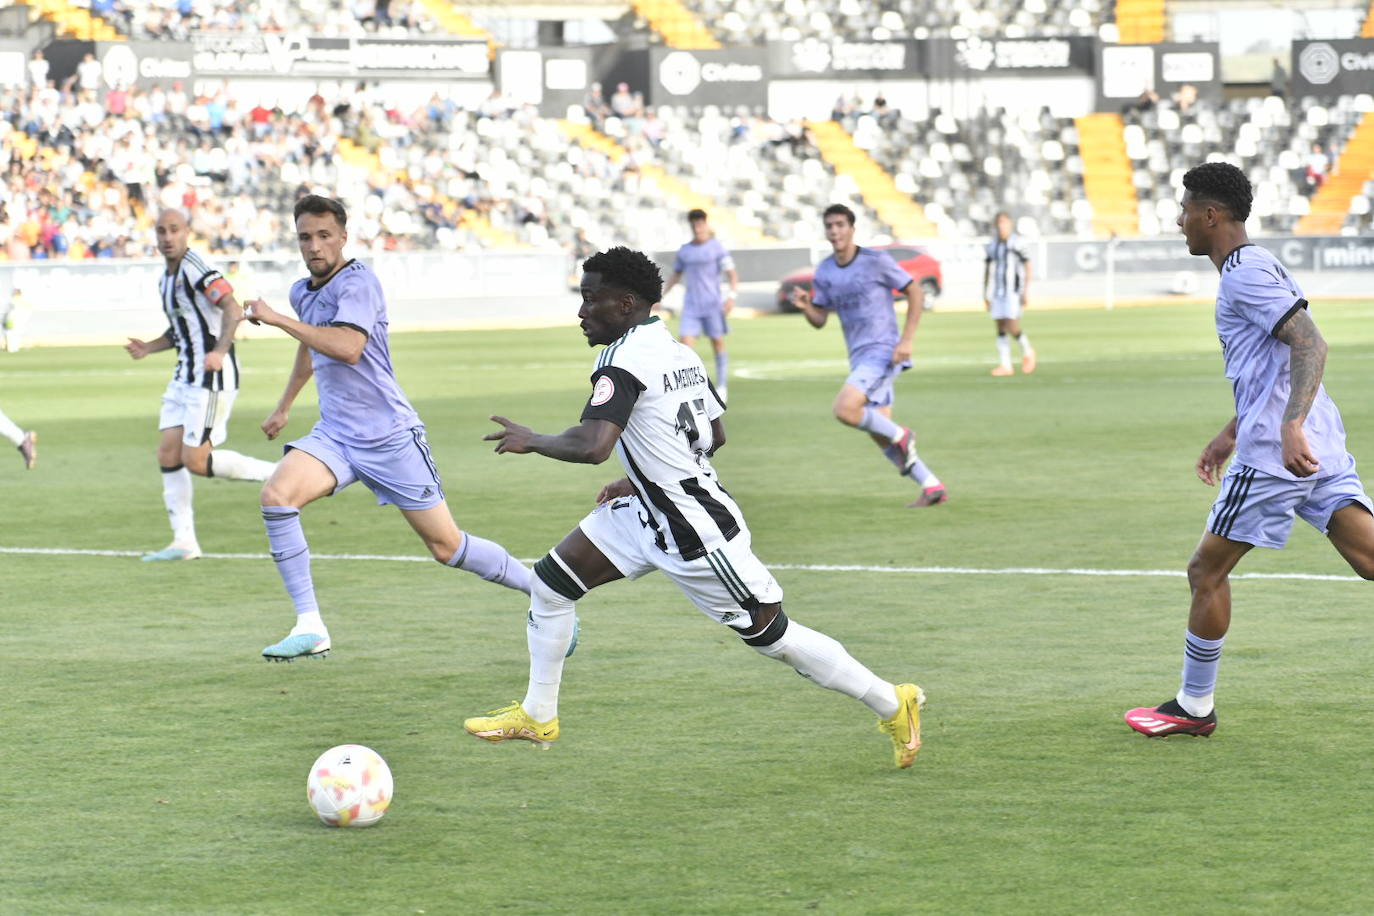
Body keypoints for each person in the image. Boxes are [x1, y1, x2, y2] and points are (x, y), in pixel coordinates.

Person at [463, 247, 925, 768]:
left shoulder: (622, 359)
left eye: (592, 299)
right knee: (551, 584)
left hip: (695, 531)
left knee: (772, 635)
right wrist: (642, 477)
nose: (582, 311)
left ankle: (892, 701)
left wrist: (533, 440)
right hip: (649, 515)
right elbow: (715, 434)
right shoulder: (679, 351)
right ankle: (537, 714)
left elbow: (592, 445)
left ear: (626, 302)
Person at [1125, 162, 1374, 738]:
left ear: (1211, 215)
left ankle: (1192, 707)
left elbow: (1310, 342)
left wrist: (1286, 428)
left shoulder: (1241, 274)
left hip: (1278, 456)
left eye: (1186, 209)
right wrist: (1232, 428)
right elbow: (1275, 363)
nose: (1179, 220)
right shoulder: (1258, 262)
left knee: (1205, 571)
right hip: (1320, 442)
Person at [243, 195, 533, 661]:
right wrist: (284, 406)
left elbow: (347, 347)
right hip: (337, 435)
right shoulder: (303, 291)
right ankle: (311, 625)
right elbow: (310, 347)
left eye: (323, 235)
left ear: (343, 236)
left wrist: (277, 320)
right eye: (305, 237)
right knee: (276, 496)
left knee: (446, 545)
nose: (314, 246)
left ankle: (543, 594)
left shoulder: (360, 284)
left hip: (390, 438)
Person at [124, 209, 276, 562]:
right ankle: (184, 541)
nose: (166, 237)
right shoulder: (165, 278)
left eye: (174, 230)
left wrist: (220, 351)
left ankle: (280, 475)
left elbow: (231, 306)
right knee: (167, 453)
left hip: (211, 376)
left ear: (187, 232)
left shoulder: (196, 268)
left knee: (195, 460)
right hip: (184, 375)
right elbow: (181, 330)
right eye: (160, 230)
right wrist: (149, 347)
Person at [789, 204, 946, 507]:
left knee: (845, 409)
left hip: (885, 351)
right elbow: (820, 320)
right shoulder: (824, 271)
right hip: (858, 357)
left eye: (840, 225)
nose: (834, 231)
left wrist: (906, 340)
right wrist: (807, 306)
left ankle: (904, 434)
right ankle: (931, 485)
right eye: (829, 225)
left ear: (852, 229)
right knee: (879, 433)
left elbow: (914, 291)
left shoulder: (875, 261)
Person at [661, 209, 737, 399]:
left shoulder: (717, 248)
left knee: (718, 343)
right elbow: (675, 276)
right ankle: (690, 389)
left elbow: (732, 274)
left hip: (712, 305)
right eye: (694, 225)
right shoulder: (685, 250)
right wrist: (660, 296)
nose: (697, 228)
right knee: (684, 348)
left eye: (700, 224)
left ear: (706, 224)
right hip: (692, 306)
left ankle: (722, 386)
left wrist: (731, 296)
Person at [983, 212, 1036, 377]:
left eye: (1004, 222)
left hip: (1013, 292)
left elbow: (1028, 266)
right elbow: (987, 270)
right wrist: (985, 293)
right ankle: (1006, 365)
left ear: (1010, 224)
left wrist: (1025, 291)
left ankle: (1028, 351)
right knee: (1000, 327)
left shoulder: (1017, 244)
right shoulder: (992, 245)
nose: (1001, 226)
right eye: (999, 222)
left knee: (1012, 326)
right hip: (998, 292)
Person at [3, 287, 32, 353]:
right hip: (22, 320)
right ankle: (15, 348)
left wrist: (6, 319)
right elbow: (29, 311)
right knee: (17, 334)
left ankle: (11, 348)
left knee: (10, 333)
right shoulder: (25, 300)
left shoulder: (12, 300)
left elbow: (8, 311)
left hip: (12, 320)